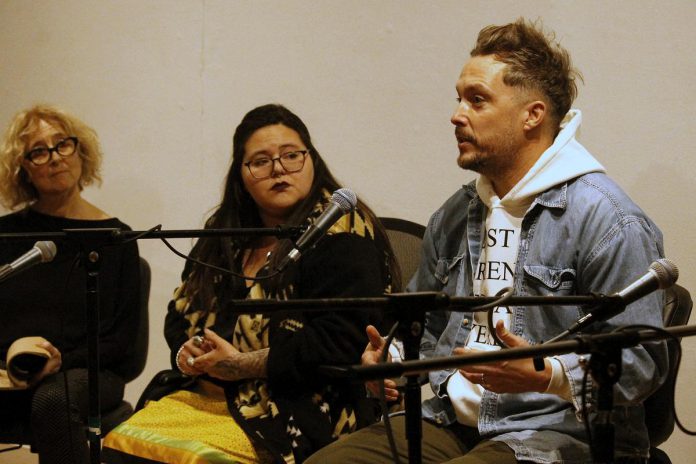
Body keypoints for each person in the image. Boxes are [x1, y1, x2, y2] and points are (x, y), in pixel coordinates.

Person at [306, 18, 668, 464]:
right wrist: (393, 357)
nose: (457, 114)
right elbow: (431, 326)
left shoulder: (608, 219)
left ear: (532, 115)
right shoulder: (456, 214)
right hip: (447, 418)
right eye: (459, 99)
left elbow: (641, 363)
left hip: (558, 433)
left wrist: (548, 375)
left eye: (477, 100)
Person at [102, 103, 399, 464]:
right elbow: (181, 312)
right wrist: (190, 353)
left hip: (303, 404)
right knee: (119, 445)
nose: (278, 169)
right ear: (241, 175)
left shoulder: (342, 230)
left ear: (312, 160)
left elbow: (341, 340)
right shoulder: (224, 232)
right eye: (260, 161)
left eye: (291, 156)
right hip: (210, 393)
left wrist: (242, 365)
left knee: (196, 459)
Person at [0, 104, 141, 463]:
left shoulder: (116, 238)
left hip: (89, 371)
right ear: (24, 170)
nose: (54, 158)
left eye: (62, 144)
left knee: (53, 400)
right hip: (10, 367)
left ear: (80, 151)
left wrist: (59, 360)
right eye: (38, 151)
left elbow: (121, 343)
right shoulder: (4, 235)